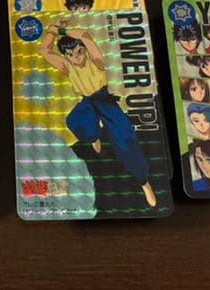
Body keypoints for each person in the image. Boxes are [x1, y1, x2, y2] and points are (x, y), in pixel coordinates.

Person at [37, 19, 157, 207]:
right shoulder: (68, 66)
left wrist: (61, 29)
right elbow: (44, 50)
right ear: (66, 56)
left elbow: (84, 35)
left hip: (104, 100)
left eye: (79, 51)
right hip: (88, 102)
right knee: (75, 120)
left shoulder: (97, 61)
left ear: (85, 50)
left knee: (125, 138)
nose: (76, 57)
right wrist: (52, 30)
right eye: (70, 54)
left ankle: (144, 182)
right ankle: (94, 136)